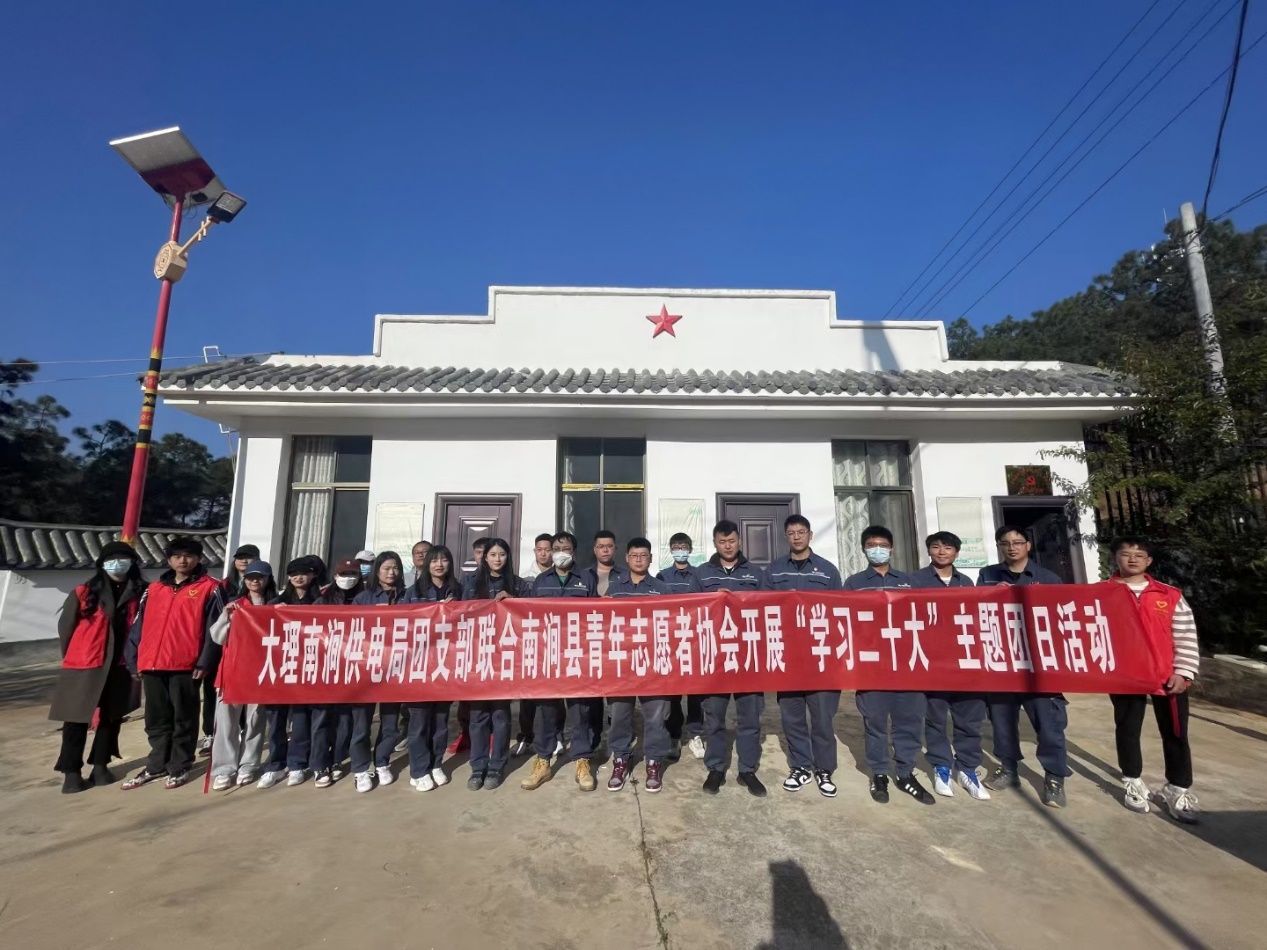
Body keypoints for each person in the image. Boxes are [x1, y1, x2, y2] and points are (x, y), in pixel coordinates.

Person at [1104, 536, 1200, 823]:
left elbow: (1185, 634)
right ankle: (1132, 780)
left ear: (1149, 561)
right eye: (1125, 554)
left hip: (1167, 676)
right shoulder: (1101, 594)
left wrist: (1183, 671)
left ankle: (1177, 788)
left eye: (1139, 555)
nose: (1132, 559)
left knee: (1176, 733)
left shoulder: (1168, 595)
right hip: (1125, 677)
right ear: (1115, 558)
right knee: (1127, 729)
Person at [122, 536, 225, 790]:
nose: (183, 561)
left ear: (198, 559)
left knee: (184, 718)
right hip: (152, 663)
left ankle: (180, 765)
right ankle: (157, 764)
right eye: (177, 556)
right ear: (168, 560)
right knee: (156, 719)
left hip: (186, 665)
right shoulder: (154, 589)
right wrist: (134, 660)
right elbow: (138, 626)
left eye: (189, 556)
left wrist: (204, 662)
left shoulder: (211, 588)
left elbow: (216, 629)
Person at [979, 525, 1070, 808]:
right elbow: (977, 612)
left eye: (1018, 542)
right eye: (1005, 543)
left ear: (1028, 546)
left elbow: (1062, 619)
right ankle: (1008, 768)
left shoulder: (1049, 579)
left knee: (1049, 724)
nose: (1012, 547)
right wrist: (992, 595)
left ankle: (1054, 777)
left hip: (1039, 664)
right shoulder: (987, 575)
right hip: (1003, 661)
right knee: (1002, 720)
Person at [843, 525, 934, 806]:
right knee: (875, 723)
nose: (877, 550)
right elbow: (844, 620)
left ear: (891, 549)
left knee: (909, 722)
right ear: (863, 549)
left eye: (882, 545)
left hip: (907, 665)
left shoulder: (909, 581)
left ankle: (905, 773)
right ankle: (879, 773)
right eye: (872, 545)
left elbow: (926, 617)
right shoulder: (854, 583)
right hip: (872, 666)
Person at [49, 541, 146, 793]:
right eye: (112, 558)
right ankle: (71, 772)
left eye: (123, 558)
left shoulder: (141, 591)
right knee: (75, 719)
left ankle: (101, 765)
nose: (118, 563)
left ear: (133, 563)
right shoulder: (84, 592)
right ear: (102, 563)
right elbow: (66, 629)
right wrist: (74, 656)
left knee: (112, 717)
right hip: (85, 662)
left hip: (121, 663)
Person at [766, 515, 844, 798]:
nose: (796, 537)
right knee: (793, 717)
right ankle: (800, 766)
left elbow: (840, 612)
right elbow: (763, 608)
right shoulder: (773, 571)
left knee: (822, 718)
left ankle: (824, 769)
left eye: (801, 532)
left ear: (810, 535)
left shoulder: (827, 570)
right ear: (785, 537)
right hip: (788, 657)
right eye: (791, 533)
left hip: (821, 658)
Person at [908, 532, 989, 801]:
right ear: (929, 551)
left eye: (948, 548)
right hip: (932, 661)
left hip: (964, 661)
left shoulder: (966, 582)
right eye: (936, 547)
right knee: (935, 717)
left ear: (957, 552)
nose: (942, 552)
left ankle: (968, 768)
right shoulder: (915, 581)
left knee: (969, 718)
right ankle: (941, 766)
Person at [697, 520, 768, 797]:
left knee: (749, 717)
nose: (727, 546)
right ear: (715, 544)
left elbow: (768, 608)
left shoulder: (756, 574)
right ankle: (716, 768)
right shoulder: (702, 574)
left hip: (748, 656)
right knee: (714, 716)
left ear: (740, 541)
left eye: (732, 541)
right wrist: (711, 600)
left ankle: (747, 770)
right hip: (715, 656)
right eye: (722, 542)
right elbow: (690, 608)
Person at [522, 531, 598, 792]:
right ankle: (543, 761)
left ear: (574, 551)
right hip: (549, 656)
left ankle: (582, 761)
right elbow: (529, 615)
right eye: (556, 549)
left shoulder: (587, 578)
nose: (560, 553)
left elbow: (596, 614)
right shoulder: (541, 581)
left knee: (579, 710)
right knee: (546, 710)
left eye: (565, 548)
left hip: (578, 655)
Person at [604, 538, 673, 793]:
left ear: (651, 559)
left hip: (653, 663)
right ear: (627, 558)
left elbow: (673, 621)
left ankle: (653, 761)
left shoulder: (661, 589)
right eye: (634, 555)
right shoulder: (614, 588)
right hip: (621, 663)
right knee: (619, 715)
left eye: (644, 555)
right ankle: (620, 758)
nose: (639, 559)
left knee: (655, 716)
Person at [461, 539, 527, 791]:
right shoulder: (469, 583)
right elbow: (459, 614)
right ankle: (478, 766)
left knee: (500, 714)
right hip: (477, 656)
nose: (497, 559)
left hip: (506, 657)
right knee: (478, 715)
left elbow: (530, 616)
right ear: (484, 557)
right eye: (492, 554)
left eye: (502, 554)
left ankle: (497, 765)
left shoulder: (518, 584)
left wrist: (513, 601)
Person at [207, 560, 275, 790]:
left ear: (268, 579)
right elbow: (217, 637)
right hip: (232, 671)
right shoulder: (235, 605)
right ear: (244, 580)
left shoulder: (274, 605)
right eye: (250, 577)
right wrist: (227, 617)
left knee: (255, 721)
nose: (255, 581)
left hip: (261, 671)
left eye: (260, 577)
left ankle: (249, 764)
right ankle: (224, 769)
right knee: (226, 723)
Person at [398, 545, 460, 792]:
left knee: (441, 719)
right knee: (419, 720)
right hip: (419, 665)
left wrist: (454, 609)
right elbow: (401, 625)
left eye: (444, 560)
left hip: (445, 664)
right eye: (434, 560)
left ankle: (435, 764)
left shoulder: (458, 591)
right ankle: (419, 769)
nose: (439, 565)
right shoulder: (413, 593)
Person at [257, 559, 322, 789]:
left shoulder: (321, 602)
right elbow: (260, 629)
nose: (298, 577)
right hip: (279, 667)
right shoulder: (276, 602)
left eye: (303, 573)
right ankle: (275, 765)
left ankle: (297, 763)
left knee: (301, 718)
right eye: (293, 573)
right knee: (276, 719)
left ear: (313, 576)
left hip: (308, 667)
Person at [350, 551, 407, 792]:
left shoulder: (407, 597)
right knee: (361, 723)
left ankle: (382, 761)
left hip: (395, 667)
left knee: (390, 721)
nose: (391, 573)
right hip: (366, 667)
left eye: (395, 568)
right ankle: (361, 768)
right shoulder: (363, 598)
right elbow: (351, 631)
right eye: (386, 568)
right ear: (377, 571)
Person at [309, 558, 365, 787]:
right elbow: (307, 625)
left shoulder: (364, 599)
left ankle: (337, 760)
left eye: (353, 574)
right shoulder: (323, 599)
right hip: (326, 667)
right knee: (322, 717)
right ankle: (319, 764)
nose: (348, 578)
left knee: (345, 718)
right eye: (344, 574)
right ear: (335, 576)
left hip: (353, 666)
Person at [658, 532, 705, 761]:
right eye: (676, 546)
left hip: (695, 640)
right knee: (673, 692)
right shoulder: (662, 576)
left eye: (683, 546)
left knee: (696, 691)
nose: (680, 550)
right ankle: (674, 736)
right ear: (670, 550)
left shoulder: (700, 575)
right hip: (671, 641)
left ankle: (695, 734)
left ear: (690, 549)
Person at [512, 533, 559, 755]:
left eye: (547, 549)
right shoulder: (525, 578)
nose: (543, 554)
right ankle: (526, 735)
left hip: (555, 640)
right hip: (531, 641)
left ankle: (556, 735)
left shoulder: (560, 576)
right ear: (534, 552)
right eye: (539, 550)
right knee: (528, 693)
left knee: (555, 693)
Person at [447, 538, 492, 755]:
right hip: (471, 643)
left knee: (493, 694)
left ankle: (491, 735)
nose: (482, 557)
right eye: (478, 552)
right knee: (467, 693)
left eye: (486, 552)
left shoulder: (509, 580)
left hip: (496, 644)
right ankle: (466, 734)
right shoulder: (467, 580)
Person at [586, 529, 619, 596]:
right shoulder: (584, 575)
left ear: (615, 549)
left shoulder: (626, 574)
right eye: (601, 547)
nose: (605, 550)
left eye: (609, 546)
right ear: (595, 550)